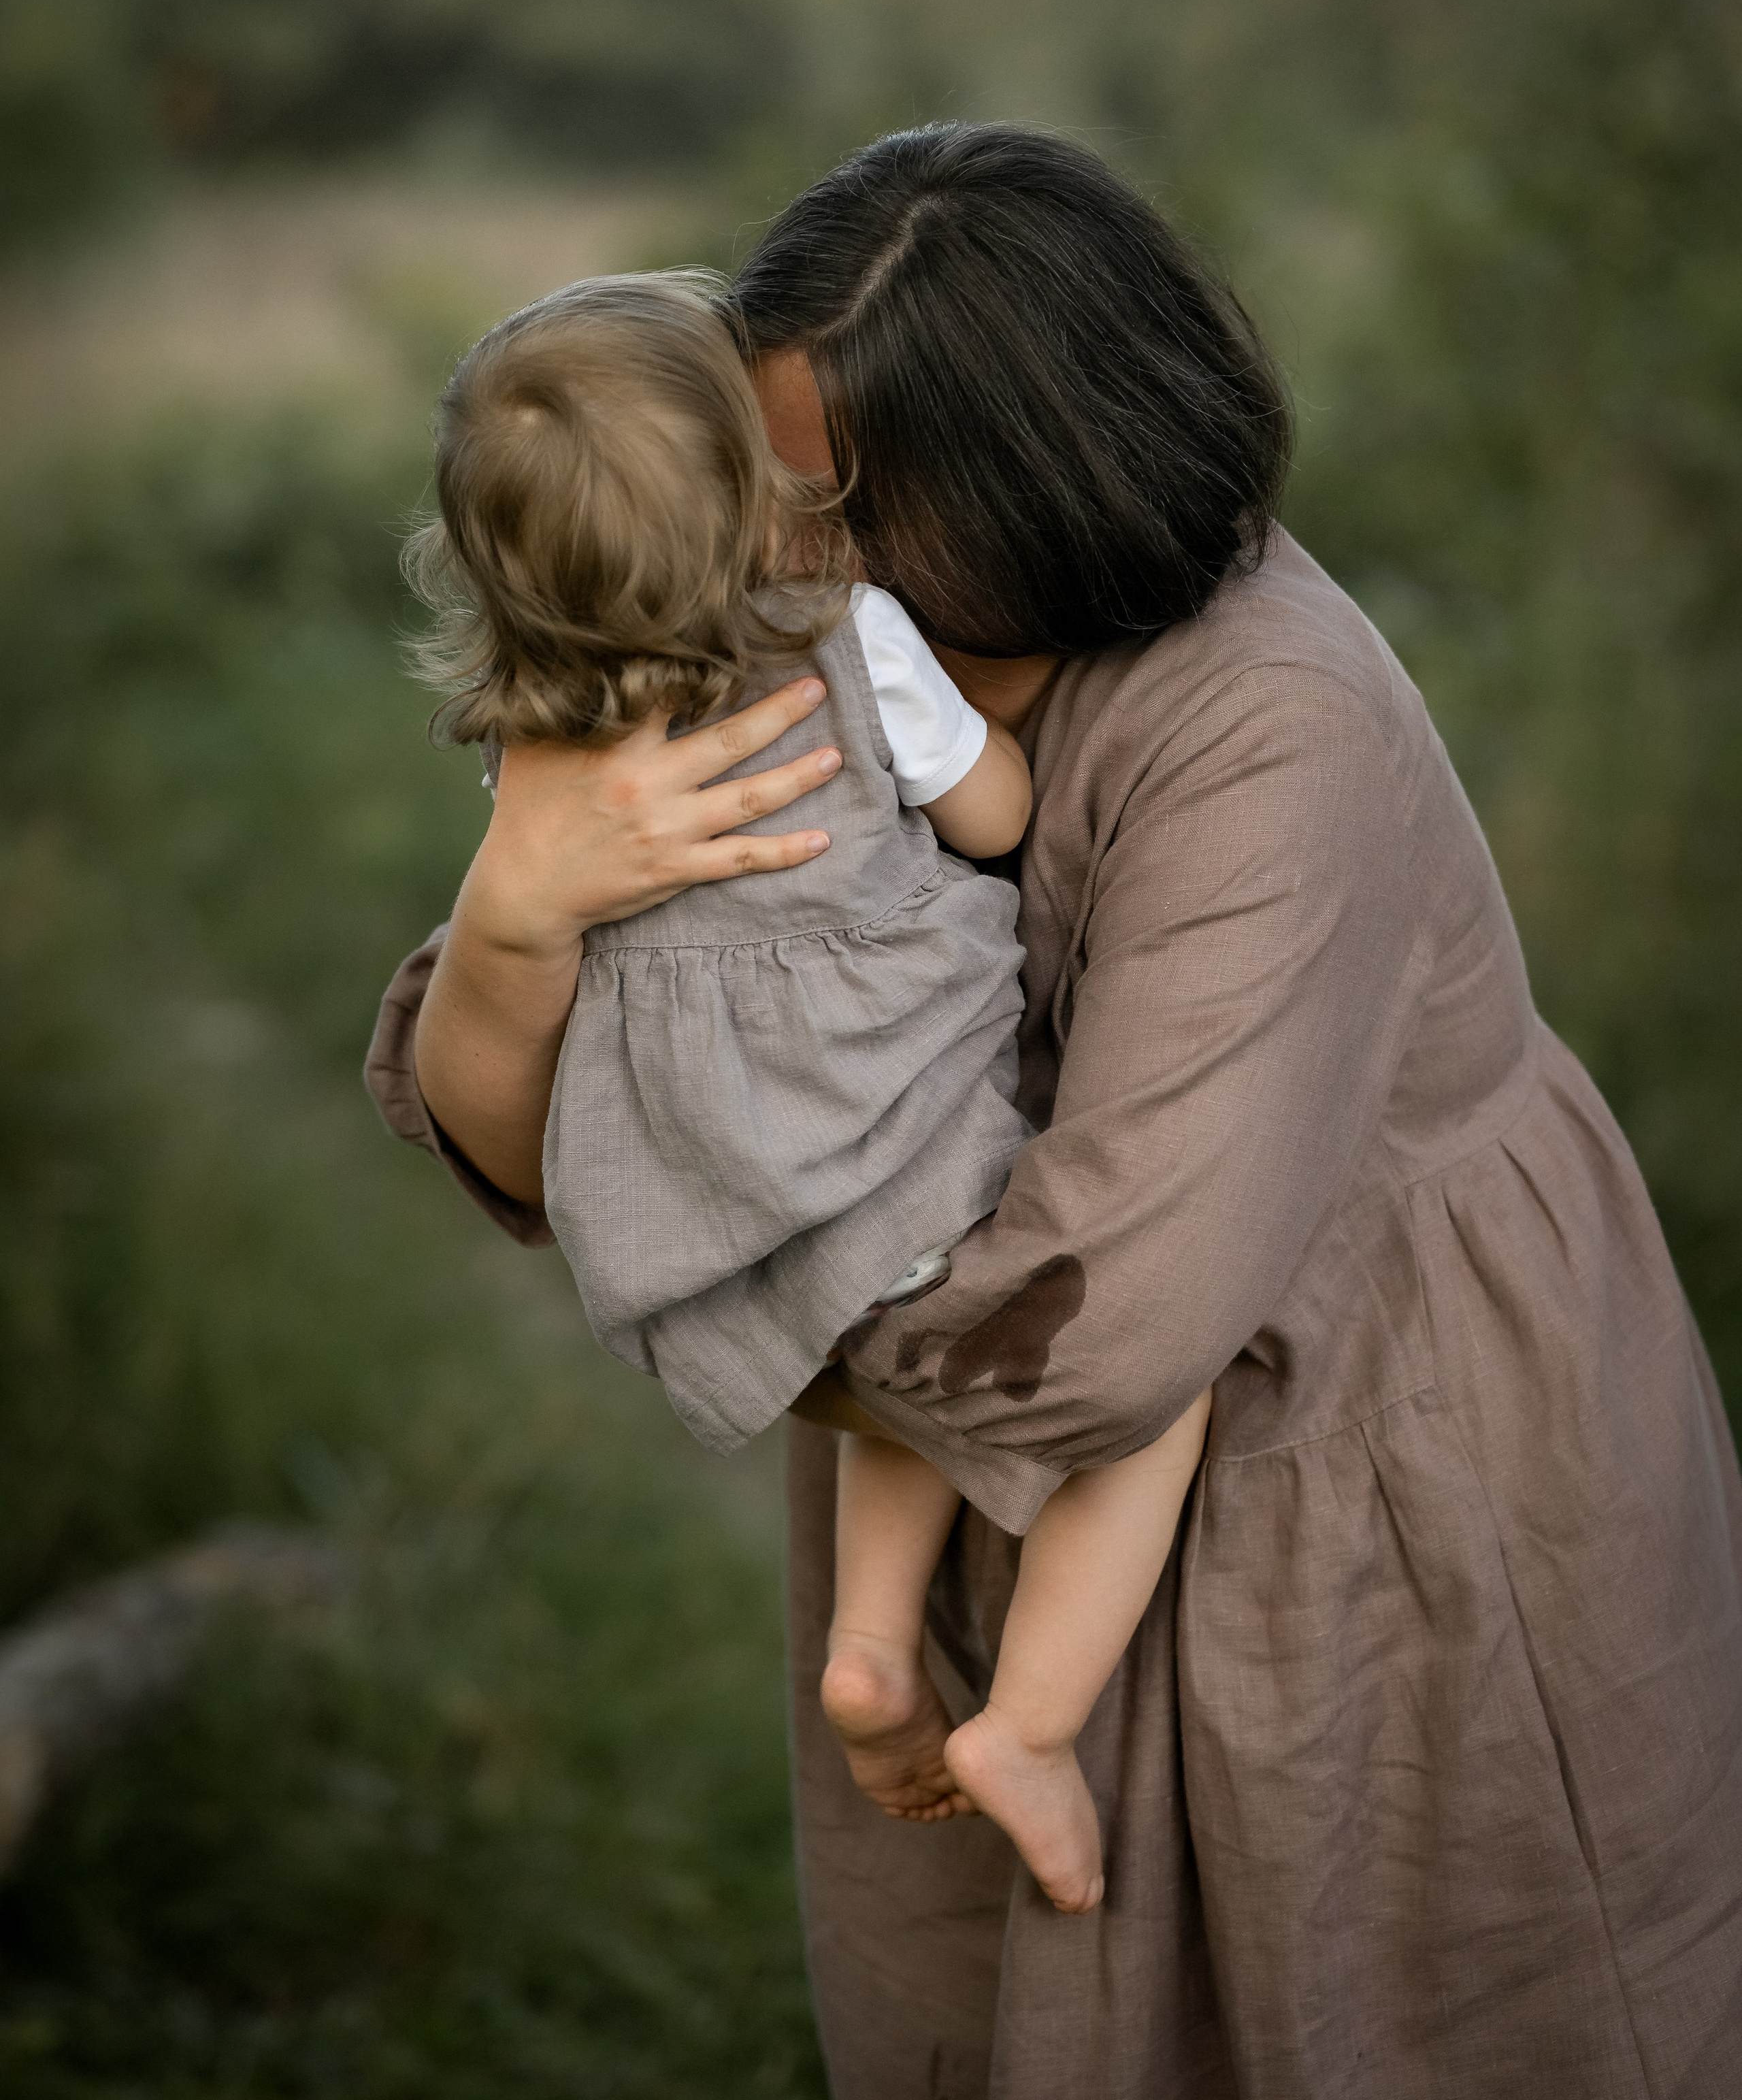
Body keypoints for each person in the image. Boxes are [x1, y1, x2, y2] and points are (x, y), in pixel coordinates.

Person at [367, 124, 1742, 2097]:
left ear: (1022, 488)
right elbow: (516, 1141)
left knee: (1388, 1997)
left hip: (1349, 1456)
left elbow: (1089, 1342)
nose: (771, 554)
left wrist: (729, 1286)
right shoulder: (740, 663)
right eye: (753, 490)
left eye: (821, 510)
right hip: (986, 1429)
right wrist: (520, 911)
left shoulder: (1268, 732)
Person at [395, 265, 1212, 1912]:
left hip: (715, 1204)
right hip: (885, 1147)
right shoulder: (850, 638)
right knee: (1164, 1373)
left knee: (884, 1331)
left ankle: (868, 1648)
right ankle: (1030, 1724)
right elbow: (994, 816)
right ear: (759, 492)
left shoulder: (534, 753)